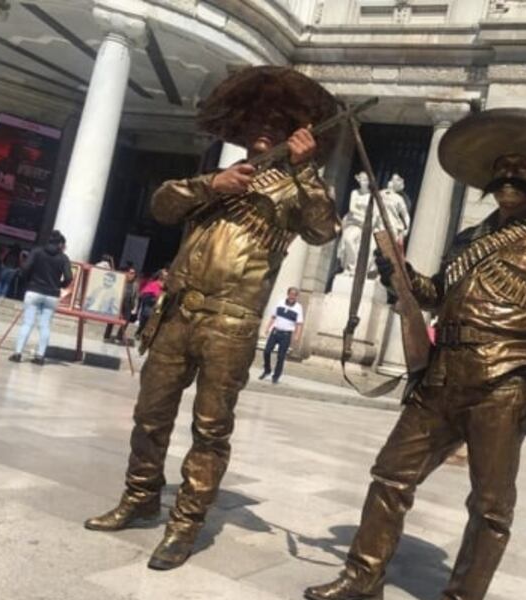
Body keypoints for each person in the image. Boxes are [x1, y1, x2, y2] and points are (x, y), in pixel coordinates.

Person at [305, 107, 526, 600]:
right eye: (502, 175)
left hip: (503, 380)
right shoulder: (470, 240)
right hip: (443, 374)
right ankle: (363, 573)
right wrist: (398, 272)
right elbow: (437, 295)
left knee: (490, 506)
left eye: (521, 176)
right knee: (390, 476)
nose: (509, 183)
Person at [84, 66, 340, 571]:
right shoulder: (220, 179)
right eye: (256, 122)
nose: (263, 128)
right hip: (179, 312)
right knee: (150, 415)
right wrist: (210, 184)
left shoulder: (294, 189)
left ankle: (186, 524)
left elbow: (323, 230)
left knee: (210, 430)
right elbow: (161, 205)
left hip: (233, 322)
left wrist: (307, 172)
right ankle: (140, 498)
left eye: (276, 122)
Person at [9, 230, 73, 365]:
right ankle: (40, 355)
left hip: (34, 290)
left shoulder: (37, 252)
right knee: (45, 326)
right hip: (52, 294)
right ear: (60, 244)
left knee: (28, 323)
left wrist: (28, 280)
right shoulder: (63, 258)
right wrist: (59, 285)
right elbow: (69, 278)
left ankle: (18, 353)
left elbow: (25, 268)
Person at [260, 287, 304, 383]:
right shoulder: (280, 302)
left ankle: (276, 376)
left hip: (286, 334)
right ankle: (267, 370)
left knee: (281, 356)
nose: (292, 296)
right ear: (288, 294)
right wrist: (267, 328)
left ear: (297, 297)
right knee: (267, 351)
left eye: (295, 295)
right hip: (275, 331)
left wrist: (297, 335)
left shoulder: (298, 308)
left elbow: (299, 324)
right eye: (291, 294)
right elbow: (273, 316)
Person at [104, 265, 139, 344]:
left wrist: (135, 307)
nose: (131, 275)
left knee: (125, 322)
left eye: (133, 273)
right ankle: (107, 336)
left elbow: (136, 296)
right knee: (112, 320)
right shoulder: (120, 281)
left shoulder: (135, 284)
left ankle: (119, 337)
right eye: (130, 273)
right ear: (126, 273)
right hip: (118, 302)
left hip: (129, 304)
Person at [135, 268, 168, 335]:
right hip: (150, 309)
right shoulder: (153, 284)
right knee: (145, 324)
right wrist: (155, 299)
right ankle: (139, 333)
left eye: (167, 275)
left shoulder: (167, 287)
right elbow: (144, 297)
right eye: (164, 274)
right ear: (160, 275)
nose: (166, 276)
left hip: (160, 311)